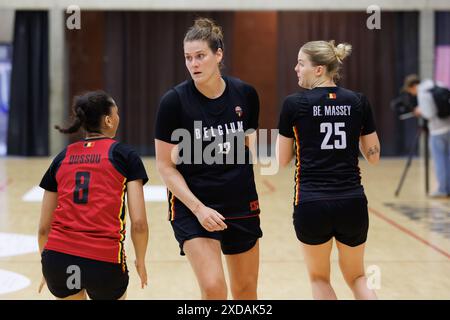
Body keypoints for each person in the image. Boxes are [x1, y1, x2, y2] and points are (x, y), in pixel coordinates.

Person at [155, 18, 262, 300]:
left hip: (241, 204)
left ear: (219, 54)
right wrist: (200, 208)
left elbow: (245, 147)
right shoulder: (173, 102)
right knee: (215, 288)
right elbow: (165, 167)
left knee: (246, 292)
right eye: (188, 58)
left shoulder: (246, 95)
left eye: (200, 56)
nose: (193, 64)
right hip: (194, 207)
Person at [277, 40, 380, 300]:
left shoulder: (293, 104)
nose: (296, 68)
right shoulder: (358, 101)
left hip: (311, 203)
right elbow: (373, 156)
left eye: (301, 63)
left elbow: (281, 159)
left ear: (319, 69)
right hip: (352, 202)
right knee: (357, 277)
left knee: (319, 279)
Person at [38, 91, 149, 300]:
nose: (118, 118)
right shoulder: (125, 156)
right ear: (108, 120)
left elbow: (44, 228)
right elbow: (140, 223)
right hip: (104, 261)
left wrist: (46, 264)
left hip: (58, 259)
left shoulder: (62, 156)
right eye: (116, 113)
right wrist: (140, 260)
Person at [416, 78, 450, 198]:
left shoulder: (423, 93)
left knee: (440, 161)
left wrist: (420, 111)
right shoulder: (440, 85)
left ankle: (443, 189)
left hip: (436, 131)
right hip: (448, 127)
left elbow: (429, 114)